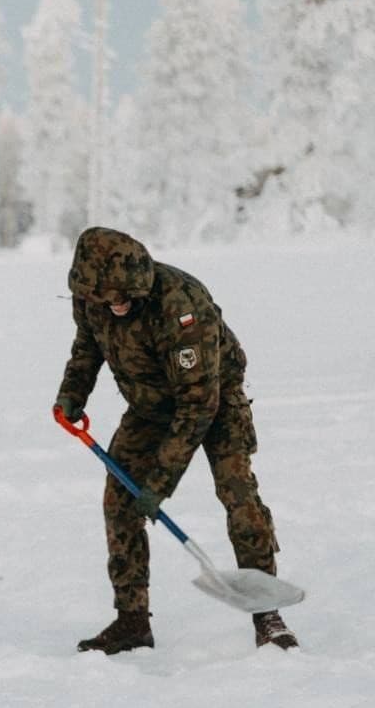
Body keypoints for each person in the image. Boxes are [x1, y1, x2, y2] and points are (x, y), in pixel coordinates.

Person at [54, 226, 297, 653]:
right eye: (107, 298)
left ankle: (268, 616)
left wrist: (159, 485)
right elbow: (88, 346)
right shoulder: (92, 296)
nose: (116, 304)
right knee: (119, 502)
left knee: (238, 496)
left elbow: (198, 405)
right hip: (149, 406)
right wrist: (72, 395)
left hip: (214, 401)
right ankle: (132, 622)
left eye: (123, 296)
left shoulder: (181, 304)